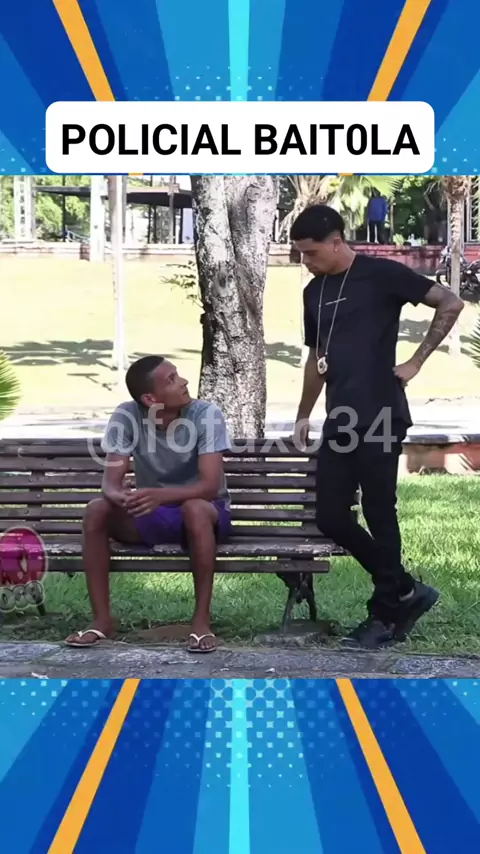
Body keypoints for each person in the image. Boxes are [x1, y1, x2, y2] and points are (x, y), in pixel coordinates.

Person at [290, 205, 464, 650]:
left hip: (382, 412)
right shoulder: (314, 293)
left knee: (379, 511)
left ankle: (386, 612)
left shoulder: (382, 274)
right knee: (331, 516)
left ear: (336, 242)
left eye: (311, 252)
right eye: (301, 254)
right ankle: (405, 588)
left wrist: (416, 361)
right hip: (341, 418)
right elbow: (317, 358)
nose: (306, 261)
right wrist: (304, 414)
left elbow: (450, 302)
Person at [65, 355, 232, 653]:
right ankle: (102, 621)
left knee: (194, 508)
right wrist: (119, 496)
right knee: (96, 510)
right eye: (171, 379)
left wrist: (159, 495)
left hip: (205, 513)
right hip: (153, 512)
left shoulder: (206, 414)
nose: (184, 381)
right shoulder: (127, 415)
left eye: (178, 375)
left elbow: (208, 487)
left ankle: (201, 622)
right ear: (150, 399)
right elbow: (110, 483)